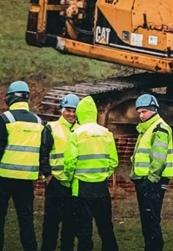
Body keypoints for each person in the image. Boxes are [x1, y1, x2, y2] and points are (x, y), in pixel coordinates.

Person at [0, 80, 44, 251]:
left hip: (3, 178)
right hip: (26, 180)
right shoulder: (39, 122)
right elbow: (43, 151)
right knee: (26, 218)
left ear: (10, 98)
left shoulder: (5, 119)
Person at [64, 96, 120, 251]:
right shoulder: (106, 133)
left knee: (84, 232)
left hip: (81, 188)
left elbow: (70, 162)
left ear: (80, 113)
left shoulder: (76, 134)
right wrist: (104, 174)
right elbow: (113, 161)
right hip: (101, 188)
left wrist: (69, 179)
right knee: (106, 229)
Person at [130, 94, 173, 251]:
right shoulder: (147, 128)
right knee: (148, 219)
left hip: (153, 182)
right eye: (139, 112)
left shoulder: (159, 128)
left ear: (154, 110)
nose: (141, 115)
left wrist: (151, 179)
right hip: (145, 181)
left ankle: (154, 248)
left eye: (144, 112)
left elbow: (159, 158)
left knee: (151, 219)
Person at [39, 93, 79, 251]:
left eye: (74, 110)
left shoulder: (80, 130)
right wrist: (48, 176)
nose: (71, 114)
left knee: (70, 222)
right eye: (68, 110)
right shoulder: (51, 127)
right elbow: (43, 154)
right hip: (55, 184)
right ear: (62, 110)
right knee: (51, 222)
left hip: (73, 184)